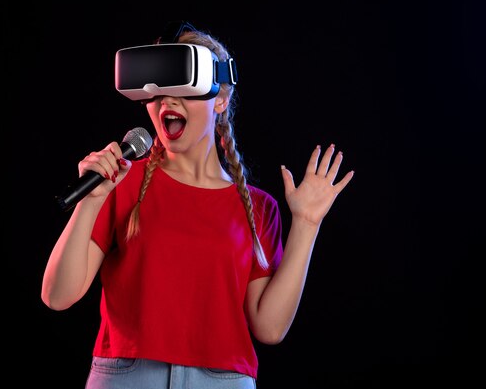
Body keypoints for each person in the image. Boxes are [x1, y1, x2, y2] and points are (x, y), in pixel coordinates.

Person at [41, 21, 354, 389]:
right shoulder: (121, 183)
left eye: (184, 90)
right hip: (126, 377)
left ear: (220, 100)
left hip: (223, 381)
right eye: (157, 93)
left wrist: (306, 223)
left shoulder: (258, 208)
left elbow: (269, 328)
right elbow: (57, 296)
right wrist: (90, 203)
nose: (167, 102)